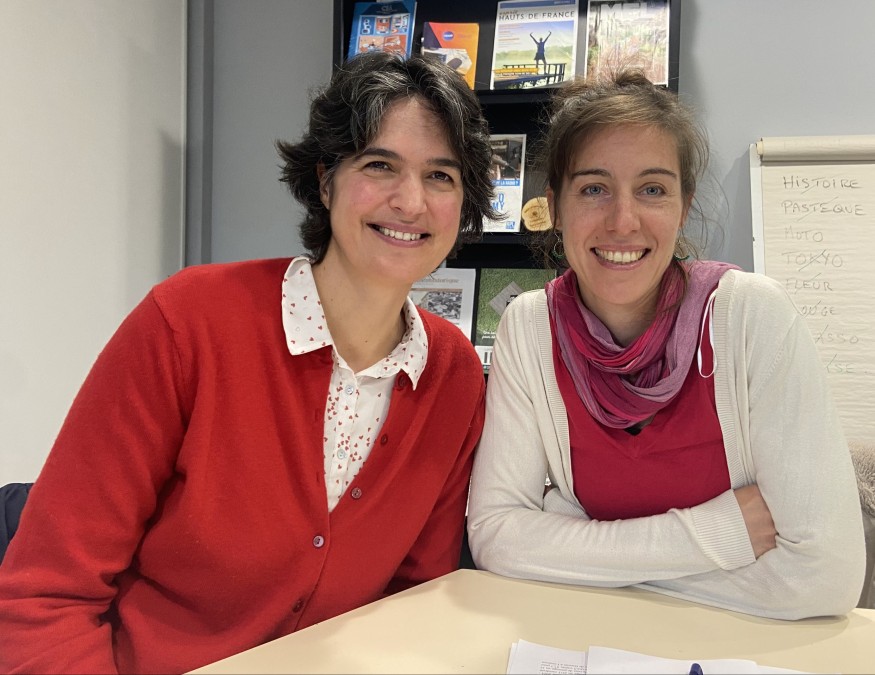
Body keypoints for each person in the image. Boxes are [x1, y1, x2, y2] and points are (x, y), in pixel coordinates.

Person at [0, 51, 497, 674]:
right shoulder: (187, 323)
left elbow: (414, 603)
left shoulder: (452, 374)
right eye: (380, 165)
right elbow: (45, 597)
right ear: (325, 181)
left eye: (441, 176)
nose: (411, 201)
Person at [466, 70, 866, 620]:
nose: (623, 221)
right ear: (555, 207)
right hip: (589, 639)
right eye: (594, 189)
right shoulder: (528, 327)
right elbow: (497, 537)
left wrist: (572, 542)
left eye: (652, 189)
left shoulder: (752, 316)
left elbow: (825, 579)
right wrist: (726, 532)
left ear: (683, 206)